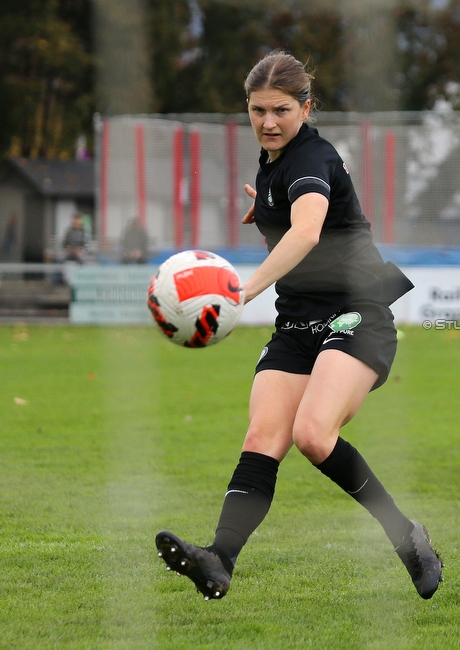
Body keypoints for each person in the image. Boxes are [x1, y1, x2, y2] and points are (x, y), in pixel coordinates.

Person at [155, 50, 443, 601]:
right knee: (263, 436)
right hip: (298, 322)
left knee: (313, 434)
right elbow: (291, 213)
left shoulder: (312, 157)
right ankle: (219, 558)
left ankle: (406, 537)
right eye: (258, 110)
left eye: (281, 110)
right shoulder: (274, 163)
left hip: (358, 314)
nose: (268, 122)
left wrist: (240, 291)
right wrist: (265, 209)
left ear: (305, 108)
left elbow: (308, 228)